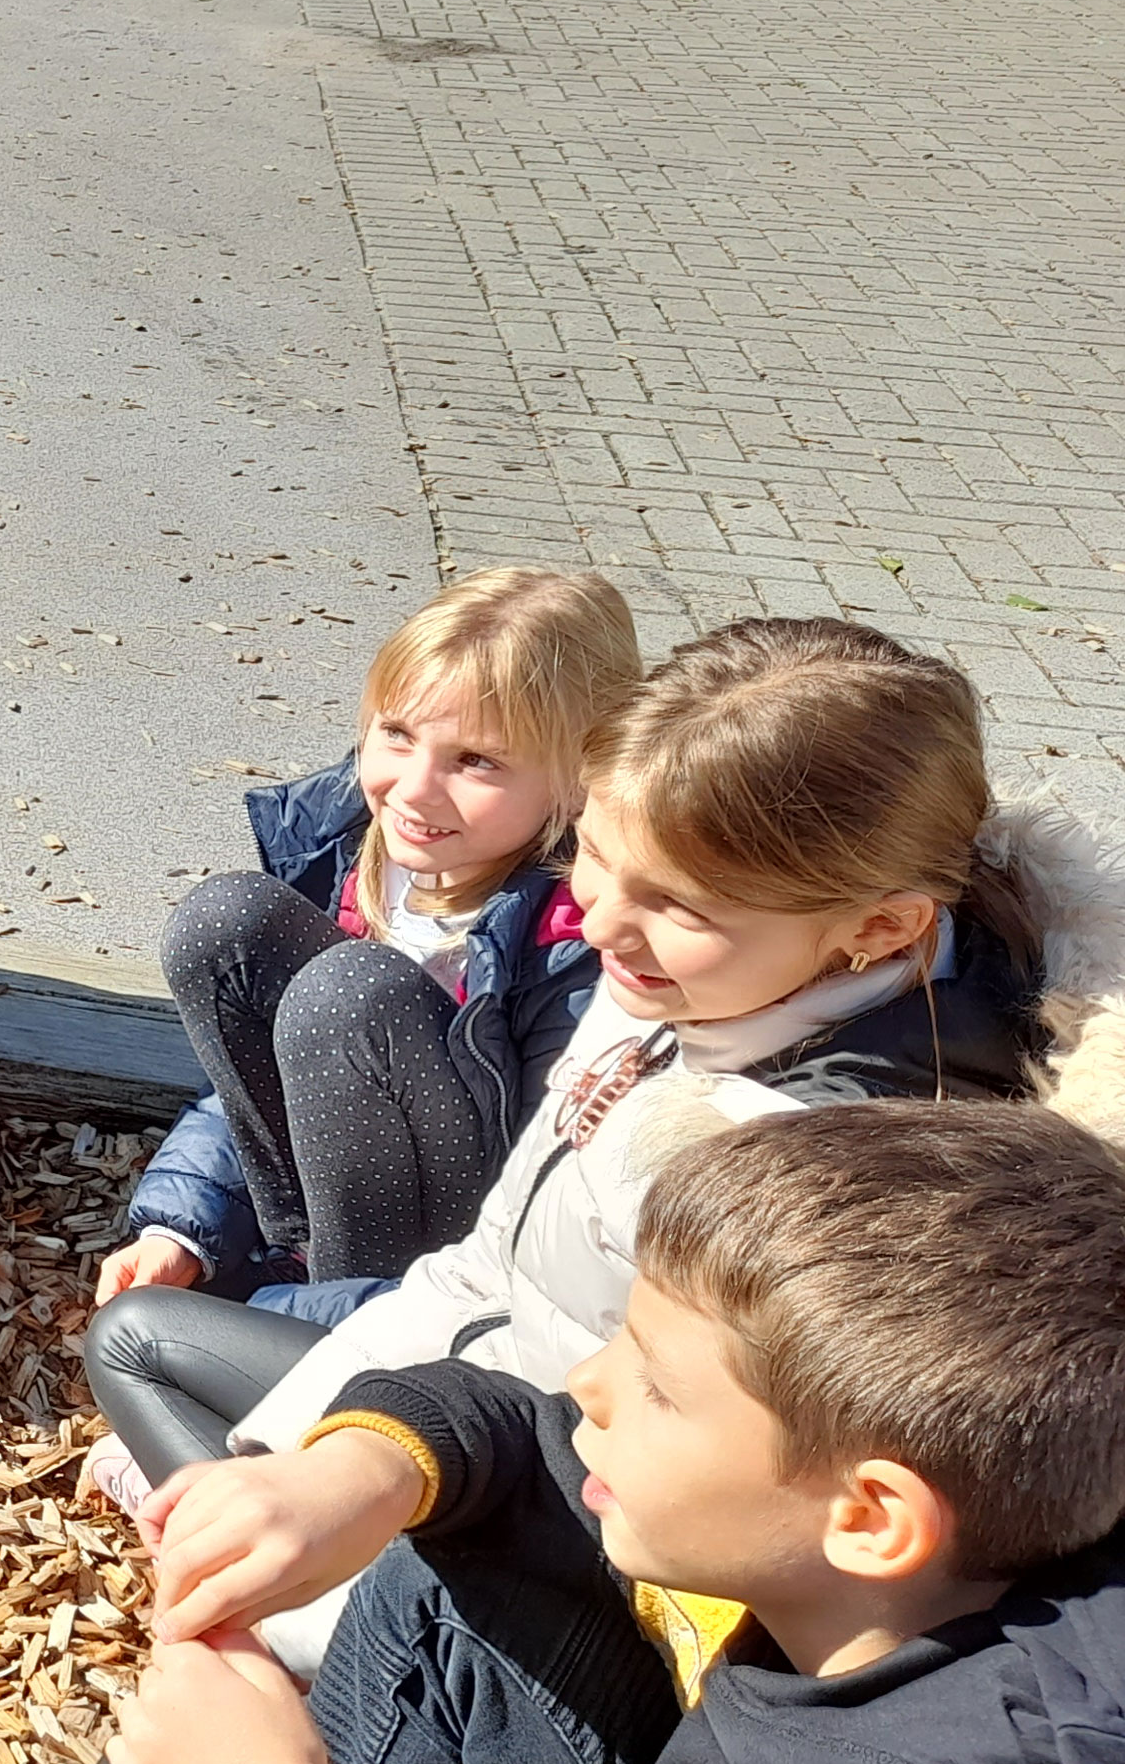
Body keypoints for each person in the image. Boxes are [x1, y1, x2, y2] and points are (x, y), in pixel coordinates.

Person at [6, 1101, 1125, 1764]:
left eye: (657, 1385)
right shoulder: (904, 1561)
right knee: (442, 1568)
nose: (589, 1381)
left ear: (873, 1518)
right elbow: (513, 1433)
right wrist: (355, 1474)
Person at [77, 617, 1117, 1488]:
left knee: (146, 1350)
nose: (597, 920)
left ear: (882, 929)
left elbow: (600, 1445)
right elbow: (491, 1264)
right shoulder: (708, 973)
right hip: (468, 1376)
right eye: (598, 862)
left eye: (673, 902)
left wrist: (318, 1465)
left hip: (530, 1483)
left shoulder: (811, 1175)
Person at [97, 567, 638, 1320]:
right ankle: (295, 1264)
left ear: (579, 778)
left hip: (463, 1245)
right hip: (326, 1199)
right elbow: (256, 1082)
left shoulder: (577, 933)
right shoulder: (349, 851)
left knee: (350, 991)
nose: (414, 789)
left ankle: (329, 1316)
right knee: (226, 921)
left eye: (475, 760)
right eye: (398, 734)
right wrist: (181, 1224)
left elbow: (549, 1175)